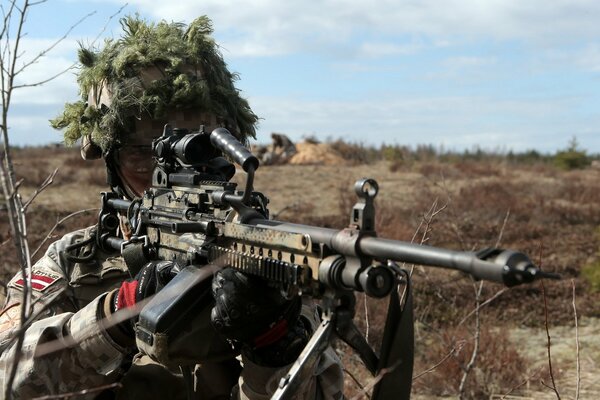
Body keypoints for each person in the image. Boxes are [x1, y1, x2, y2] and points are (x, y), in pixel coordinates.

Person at [0, 16, 343, 399]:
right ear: (111, 161)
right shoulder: (75, 264)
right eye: (142, 156)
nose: (166, 173)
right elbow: (6, 379)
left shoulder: (269, 264)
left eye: (202, 153)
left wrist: (273, 343)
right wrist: (116, 316)